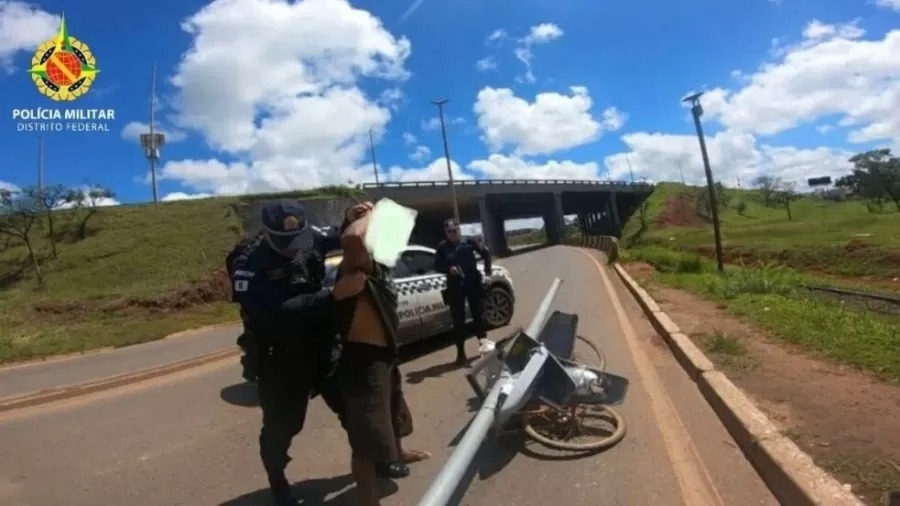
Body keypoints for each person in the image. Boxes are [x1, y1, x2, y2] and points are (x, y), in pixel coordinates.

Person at [228, 199, 370, 506]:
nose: (293, 248)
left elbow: (338, 238)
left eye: (297, 240)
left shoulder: (310, 237)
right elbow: (276, 314)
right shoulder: (246, 263)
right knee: (283, 427)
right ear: (265, 233)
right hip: (281, 358)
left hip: (322, 346)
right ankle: (278, 481)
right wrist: (332, 297)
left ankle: (373, 463)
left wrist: (350, 218)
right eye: (284, 242)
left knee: (354, 409)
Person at [333, 205, 431, 506]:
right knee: (367, 438)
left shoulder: (380, 262)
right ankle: (369, 501)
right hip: (363, 360)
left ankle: (398, 452)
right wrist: (364, 217)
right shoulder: (355, 264)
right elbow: (352, 239)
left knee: (395, 410)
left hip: (386, 352)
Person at [434, 218, 493, 366]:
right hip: (455, 287)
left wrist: (487, 273)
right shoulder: (442, 247)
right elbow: (437, 265)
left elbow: (486, 253)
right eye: (449, 232)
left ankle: (484, 345)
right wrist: (449, 269)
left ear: (459, 230)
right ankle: (461, 353)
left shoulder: (469, 242)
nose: (452, 234)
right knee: (458, 321)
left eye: (455, 231)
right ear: (446, 233)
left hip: (472, 284)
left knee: (478, 315)